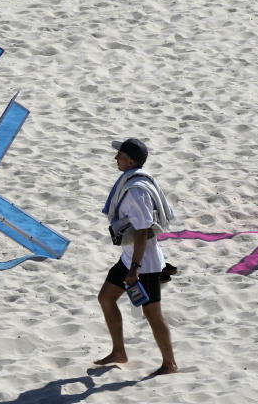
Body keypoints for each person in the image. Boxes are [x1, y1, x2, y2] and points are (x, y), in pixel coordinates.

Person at [94, 137, 178, 374]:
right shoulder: (134, 179)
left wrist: (135, 268)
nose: (115, 158)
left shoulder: (136, 191)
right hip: (129, 257)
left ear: (131, 161)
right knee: (106, 298)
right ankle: (119, 352)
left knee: (153, 314)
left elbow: (143, 230)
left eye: (119, 155)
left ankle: (169, 364)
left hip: (144, 264)